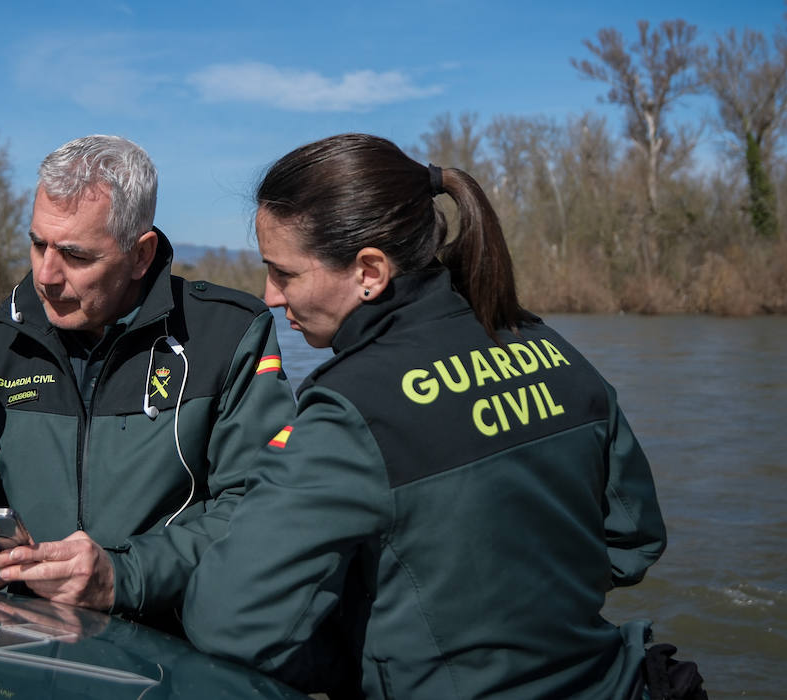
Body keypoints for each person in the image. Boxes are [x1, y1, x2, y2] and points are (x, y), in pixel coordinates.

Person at [183, 134, 676, 699]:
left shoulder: (350, 410)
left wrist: (371, 657)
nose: (269, 296)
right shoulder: (546, 344)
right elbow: (633, 538)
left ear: (370, 270)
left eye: (285, 274)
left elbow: (228, 619)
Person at [0, 135, 294, 630]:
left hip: (169, 650)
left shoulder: (228, 334)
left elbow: (261, 508)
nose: (46, 275)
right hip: (20, 648)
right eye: (38, 244)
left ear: (140, 254)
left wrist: (125, 575)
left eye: (76, 255)